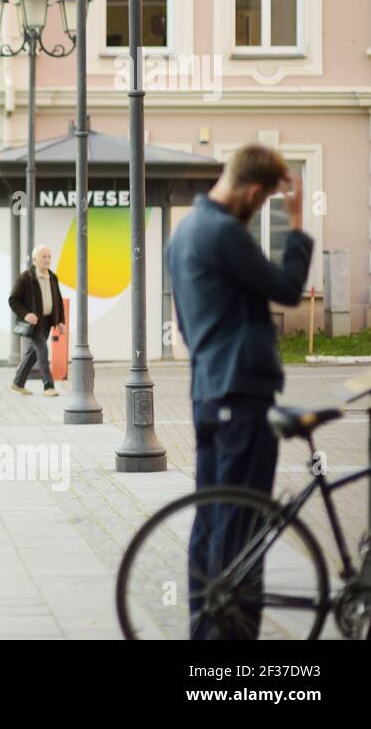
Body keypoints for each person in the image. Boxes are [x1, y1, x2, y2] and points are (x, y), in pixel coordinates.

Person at [166, 144, 312, 640]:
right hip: (242, 394)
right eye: (265, 198)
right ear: (253, 192)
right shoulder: (225, 233)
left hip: (208, 391)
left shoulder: (184, 230)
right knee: (243, 522)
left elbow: (186, 326)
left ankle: (204, 633)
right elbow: (288, 288)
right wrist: (296, 223)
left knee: (212, 516)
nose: (262, 206)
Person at [8, 245, 65, 397]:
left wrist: (61, 321)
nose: (47, 259)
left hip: (47, 322)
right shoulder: (26, 278)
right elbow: (13, 300)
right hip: (34, 324)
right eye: (43, 256)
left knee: (33, 354)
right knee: (42, 351)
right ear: (35, 260)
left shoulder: (53, 277)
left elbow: (58, 300)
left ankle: (18, 383)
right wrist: (26, 314)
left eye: (49, 256)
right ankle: (48, 386)